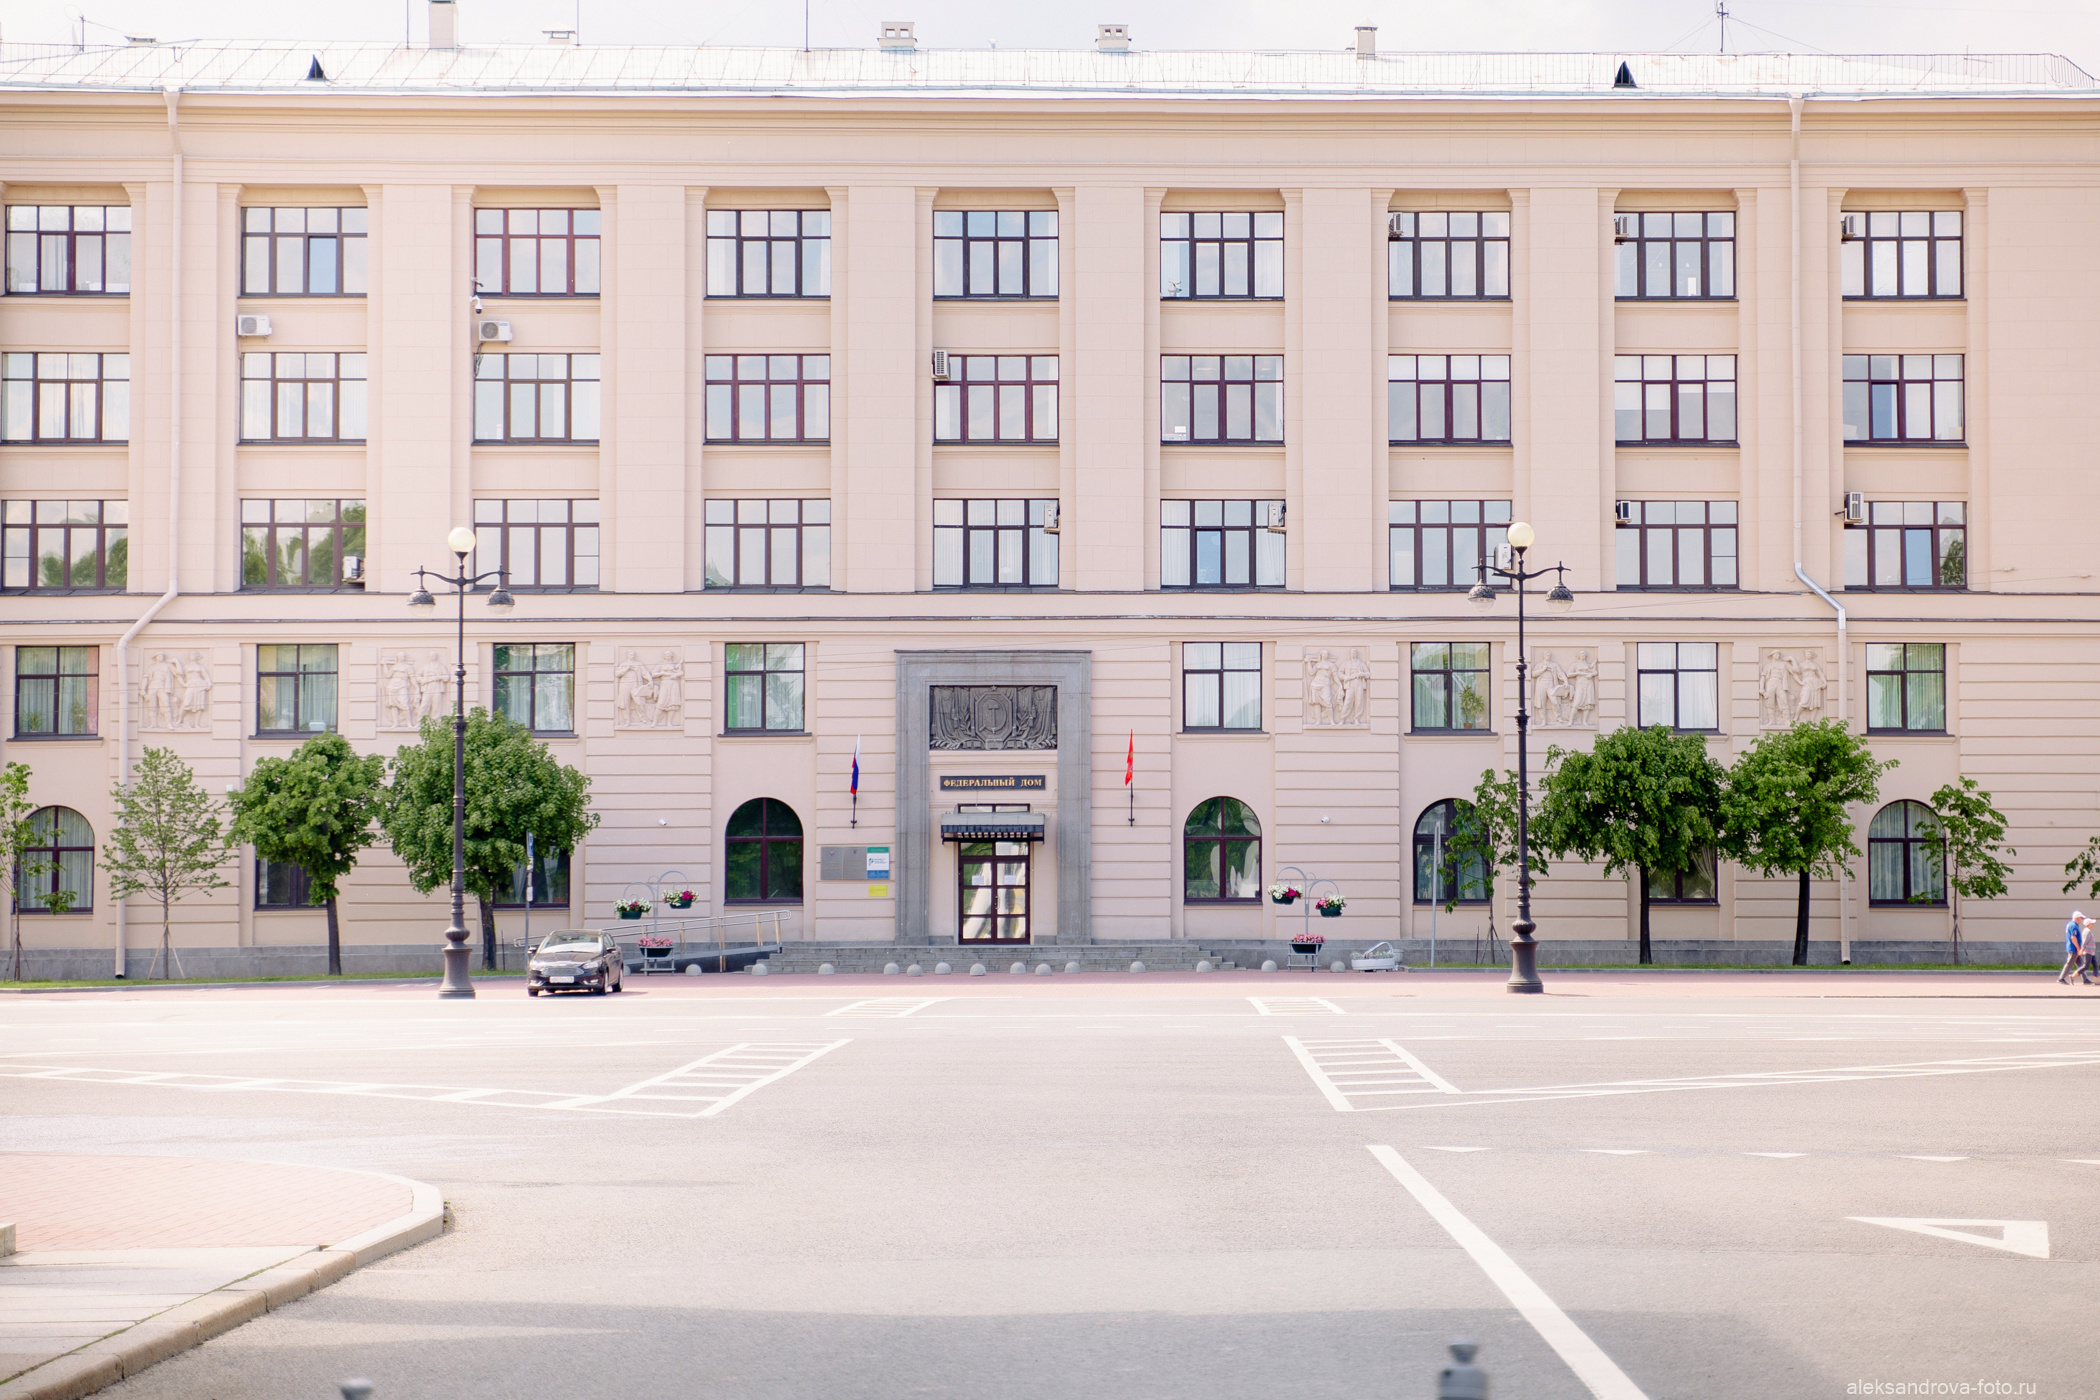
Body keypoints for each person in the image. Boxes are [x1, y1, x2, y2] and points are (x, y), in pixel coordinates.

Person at [2062, 911, 2094, 985]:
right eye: (2081, 918)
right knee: (2069, 963)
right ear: (2077, 918)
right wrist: (2078, 948)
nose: (2081, 920)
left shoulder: (2070, 924)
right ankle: (2061, 978)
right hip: (2074, 949)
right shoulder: (2073, 925)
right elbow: (2073, 937)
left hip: (2073, 948)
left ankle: (2085, 979)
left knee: (2081, 964)